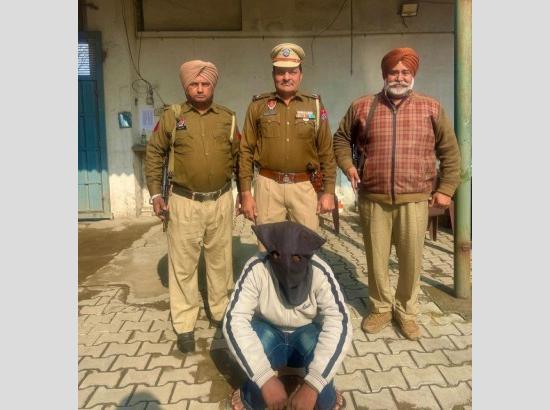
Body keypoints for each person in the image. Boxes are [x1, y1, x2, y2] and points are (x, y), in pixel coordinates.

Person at [333, 47, 461, 340]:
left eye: (405, 72)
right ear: (385, 75)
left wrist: (446, 189)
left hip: (414, 199)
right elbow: (341, 139)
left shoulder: (431, 107)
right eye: (394, 72)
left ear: (413, 75)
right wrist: (348, 166)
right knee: (376, 258)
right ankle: (380, 307)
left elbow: (450, 151)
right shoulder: (363, 106)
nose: (399, 77)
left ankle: (406, 311)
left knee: (411, 260)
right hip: (373, 199)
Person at [145, 60, 239, 353]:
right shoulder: (172, 117)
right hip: (184, 201)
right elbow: (154, 154)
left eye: (205, 84)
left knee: (221, 262)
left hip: (221, 200)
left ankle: (220, 312)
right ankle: (185, 323)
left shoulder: (228, 118)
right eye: (194, 84)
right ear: (186, 87)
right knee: (183, 266)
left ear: (213, 86)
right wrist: (155, 195)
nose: (200, 89)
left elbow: (240, 157)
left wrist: (245, 193)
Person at [223, 221, 351, 410]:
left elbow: (339, 322)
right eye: (277, 256)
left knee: (324, 402)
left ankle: (318, 386)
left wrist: (313, 384)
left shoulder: (320, 270)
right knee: (254, 399)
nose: (288, 266)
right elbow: (235, 319)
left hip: (305, 332)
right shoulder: (257, 267)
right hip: (269, 330)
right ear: (270, 252)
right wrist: (264, 379)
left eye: (297, 258)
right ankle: (252, 391)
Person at [239, 43, 337, 234]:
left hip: (304, 186)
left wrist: (329, 191)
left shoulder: (314, 105)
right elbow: (245, 150)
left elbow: (326, 151)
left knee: (305, 244)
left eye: (292, 72)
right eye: (280, 72)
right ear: (273, 75)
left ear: (301, 75)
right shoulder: (258, 106)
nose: (286, 77)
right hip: (267, 186)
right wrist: (246, 193)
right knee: (268, 244)